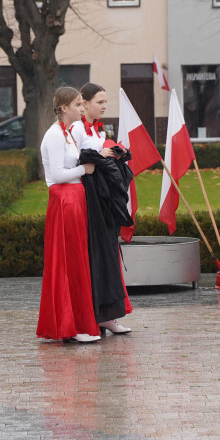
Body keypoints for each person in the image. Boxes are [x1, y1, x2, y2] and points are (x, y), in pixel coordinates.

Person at [37, 87, 101, 343]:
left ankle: (76, 324)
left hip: (74, 200)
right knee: (69, 262)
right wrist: (84, 170)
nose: (82, 108)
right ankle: (71, 326)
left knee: (77, 261)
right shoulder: (54, 135)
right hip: (64, 200)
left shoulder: (67, 135)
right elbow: (54, 176)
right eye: (77, 104)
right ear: (64, 108)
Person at [71, 83, 134, 335]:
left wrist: (115, 154)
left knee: (109, 251)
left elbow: (98, 155)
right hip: (89, 198)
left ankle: (109, 315)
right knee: (96, 254)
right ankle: (94, 315)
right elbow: (73, 159)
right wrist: (100, 154)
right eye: (100, 101)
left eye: (105, 101)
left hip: (105, 197)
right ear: (84, 103)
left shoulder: (99, 130)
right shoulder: (76, 129)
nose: (104, 105)